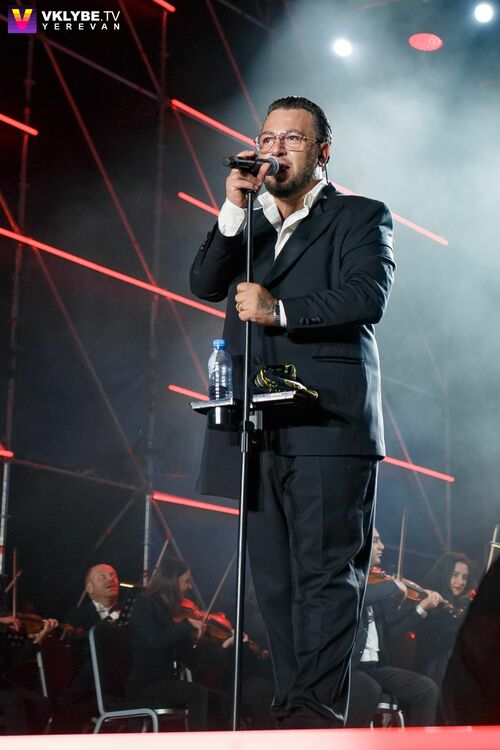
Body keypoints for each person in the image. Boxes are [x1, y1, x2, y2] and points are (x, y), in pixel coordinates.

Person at [190, 95, 395, 728]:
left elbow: (367, 296)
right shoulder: (247, 225)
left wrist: (279, 311)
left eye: (292, 139)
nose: (275, 149)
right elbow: (203, 283)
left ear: (322, 152)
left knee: (326, 576)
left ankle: (315, 717)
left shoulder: (359, 215)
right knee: (273, 582)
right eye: (267, 138)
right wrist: (233, 206)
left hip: (327, 424)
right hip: (258, 426)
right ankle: (291, 715)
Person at [347, 528, 440, 727]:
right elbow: (355, 598)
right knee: (368, 688)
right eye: (375, 541)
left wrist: (421, 609)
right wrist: (393, 586)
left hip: (373, 667)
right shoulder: (345, 580)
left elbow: (389, 636)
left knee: (426, 689)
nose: (382, 546)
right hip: (347, 669)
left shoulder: (375, 584)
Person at [127, 556, 214, 731]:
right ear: (172, 581)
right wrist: (186, 625)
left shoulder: (170, 613)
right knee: (197, 693)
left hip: (164, 682)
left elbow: (189, 661)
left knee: (215, 698)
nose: (190, 587)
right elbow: (156, 640)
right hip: (145, 683)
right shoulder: (145, 605)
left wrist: (222, 647)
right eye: (186, 581)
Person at [412, 552, 473, 687]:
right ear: (444, 574)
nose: (461, 582)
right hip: (430, 672)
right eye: (454, 575)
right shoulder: (432, 601)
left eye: (464, 577)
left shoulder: (460, 603)